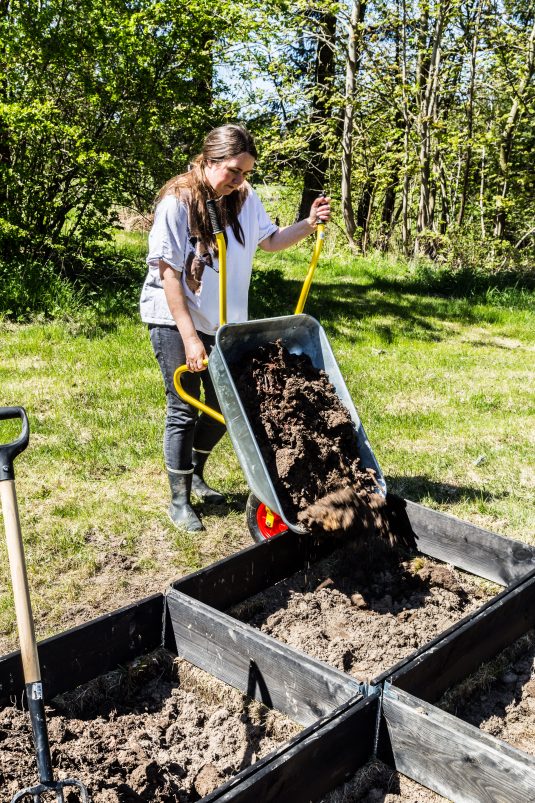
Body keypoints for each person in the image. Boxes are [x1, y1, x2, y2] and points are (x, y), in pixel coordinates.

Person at [140, 123, 331, 532]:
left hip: (225, 323)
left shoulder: (243, 198)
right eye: (233, 171)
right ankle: (180, 500)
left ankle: (197, 471)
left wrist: (309, 223)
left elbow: (271, 241)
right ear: (208, 161)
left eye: (245, 173)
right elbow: (170, 275)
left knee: (229, 408)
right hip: (176, 319)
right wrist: (190, 338)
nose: (239, 180)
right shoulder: (178, 203)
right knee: (184, 407)